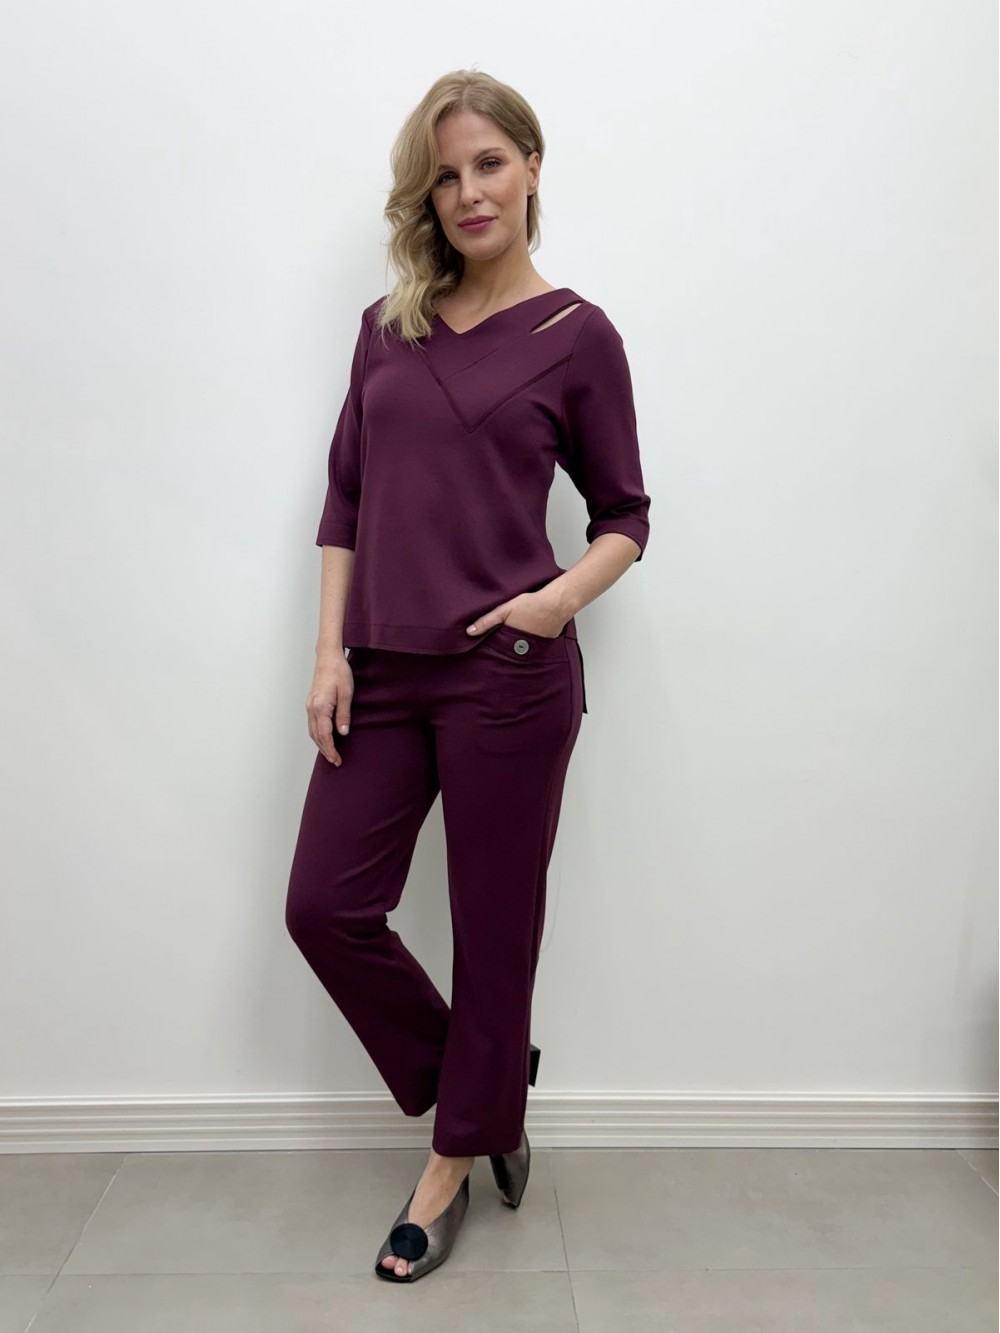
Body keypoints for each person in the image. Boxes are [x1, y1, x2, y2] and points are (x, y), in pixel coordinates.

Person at [284, 68, 651, 1283]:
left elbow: (624, 516)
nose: (467, 192)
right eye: (444, 175)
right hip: (384, 671)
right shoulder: (385, 328)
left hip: (509, 674)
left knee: (496, 935)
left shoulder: (578, 336)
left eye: (488, 163)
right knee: (325, 908)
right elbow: (344, 501)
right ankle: (487, 1090)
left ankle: (449, 1161)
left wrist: (553, 601)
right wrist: (330, 653)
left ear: (532, 168)